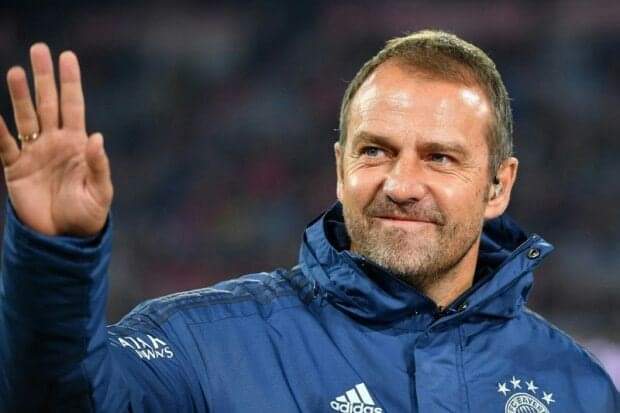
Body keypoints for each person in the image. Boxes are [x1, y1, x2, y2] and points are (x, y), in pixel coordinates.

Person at [0, 29, 617, 413]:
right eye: (375, 151)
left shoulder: (579, 389)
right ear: (340, 168)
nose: (401, 185)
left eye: (440, 158)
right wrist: (56, 255)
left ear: (498, 186)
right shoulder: (207, 346)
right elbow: (63, 398)